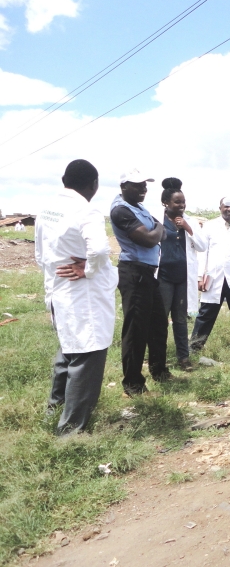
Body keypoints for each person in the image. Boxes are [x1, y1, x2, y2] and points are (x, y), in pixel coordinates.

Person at [35, 159, 117, 434]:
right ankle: (70, 431)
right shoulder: (86, 209)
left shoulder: (47, 210)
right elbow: (99, 249)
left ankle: (54, 411)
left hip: (59, 289)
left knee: (67, 353)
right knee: (87, 356)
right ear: (94, 185)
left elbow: (39, 254)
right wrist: (89, 269)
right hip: (84, 297)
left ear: (64, 179)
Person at [110, 168, 170, 395]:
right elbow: (148, 239)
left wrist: (157, 230)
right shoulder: (120, 211)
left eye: (145, 184)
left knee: (158, 324)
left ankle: (159, 370)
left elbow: (159, 232)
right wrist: (158, 230)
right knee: (136, 329)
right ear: (124, 187)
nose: (144, 188)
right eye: (138, 184)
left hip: (147, 273)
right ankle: (133, 382)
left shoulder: (138, 207)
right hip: (133, 273)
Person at [158, 178, 207, 371]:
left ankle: (183, 358)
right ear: (166, 203)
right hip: (163, 276)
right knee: (161, 319)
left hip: (182, 277)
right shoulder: (157, 219)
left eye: (183, 202)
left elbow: (202, 246)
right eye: (177, 202)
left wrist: (188, 228)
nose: (181, 205)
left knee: (180, 319)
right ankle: (159, 359)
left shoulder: (190, 221)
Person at [190, 197, 230, 351]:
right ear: (220, 208)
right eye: (226, 207)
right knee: (206, 313)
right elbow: (202, 253)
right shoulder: (210, 226)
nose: (229, 210)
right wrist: (199, 276)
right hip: (213, 278)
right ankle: (195, 346)